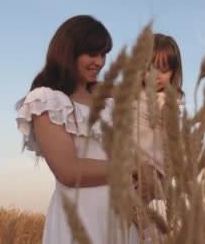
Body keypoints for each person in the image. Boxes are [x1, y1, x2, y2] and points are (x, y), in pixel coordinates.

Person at [15, 15, 134, 243]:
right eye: (92, 54)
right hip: (79, 219)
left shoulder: (109, 106)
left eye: (103, 54)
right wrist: (132, 168)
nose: (99, 62)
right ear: (69, 52)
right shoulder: (48, 100)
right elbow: (68, 171)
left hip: (122, 219)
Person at [131, 33, 184, 241]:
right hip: (132, 163)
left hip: (150, 166)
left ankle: (153, 236)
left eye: (164, 70)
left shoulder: (166, 101)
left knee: (133, 208)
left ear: (173, 73)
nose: (156, 76)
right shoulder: (135, 95)